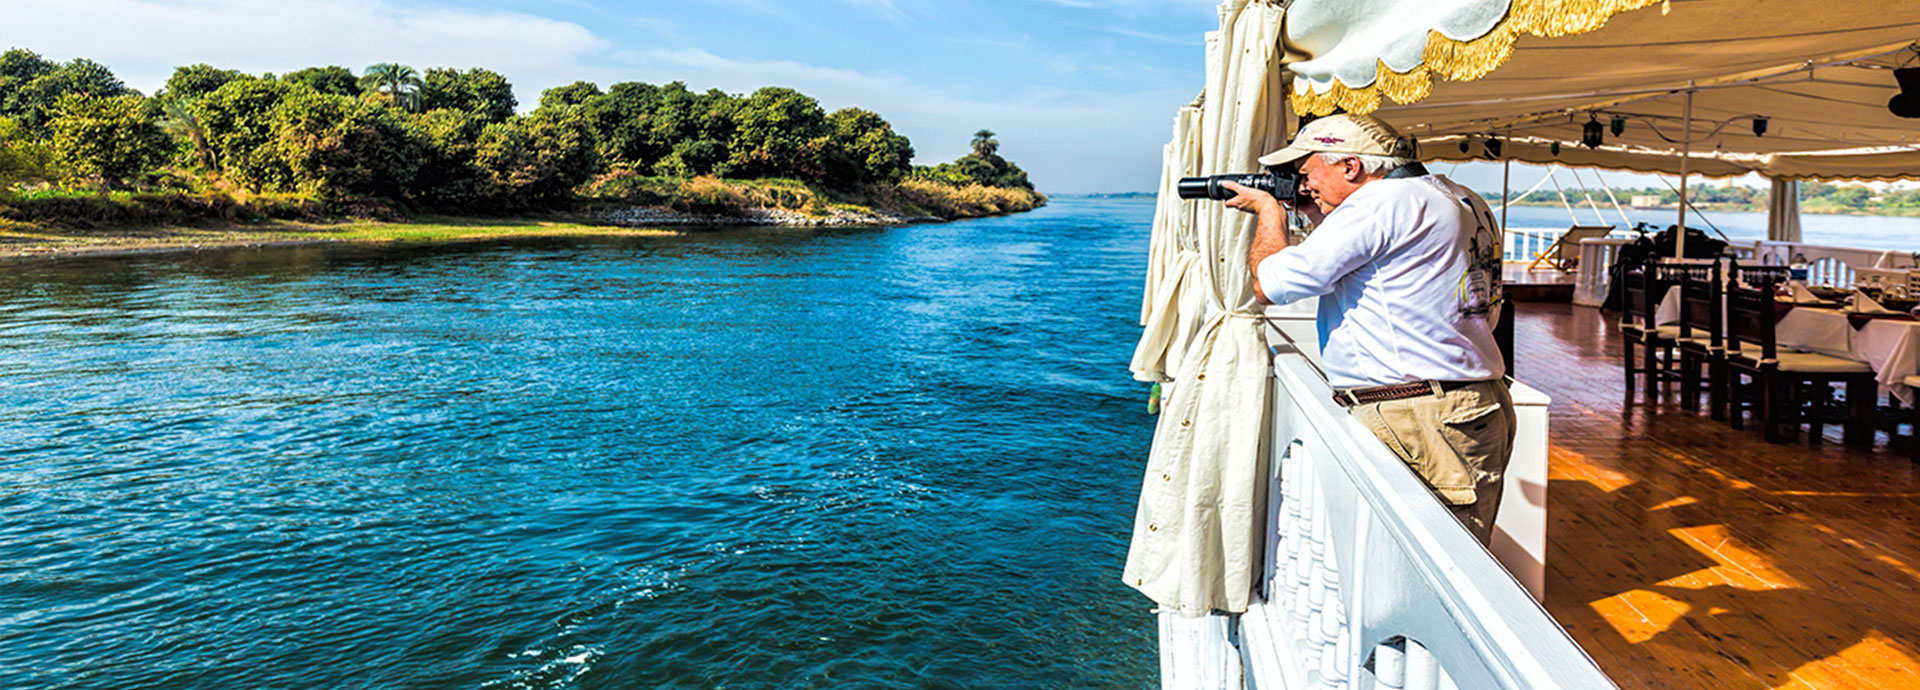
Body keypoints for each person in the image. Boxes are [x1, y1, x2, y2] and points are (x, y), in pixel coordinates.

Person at [1222, 113, 1515, 544]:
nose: (1304, 185)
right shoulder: (1458, 196)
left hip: (1423, 417)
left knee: (1426, 567)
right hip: (1460, 405)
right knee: (1449, 551)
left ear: (1350, 166)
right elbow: (1380, 262)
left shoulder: (1379, 204)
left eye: (1307, 172)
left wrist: (1269, 211)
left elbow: (1269, 284)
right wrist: (1320, 215)